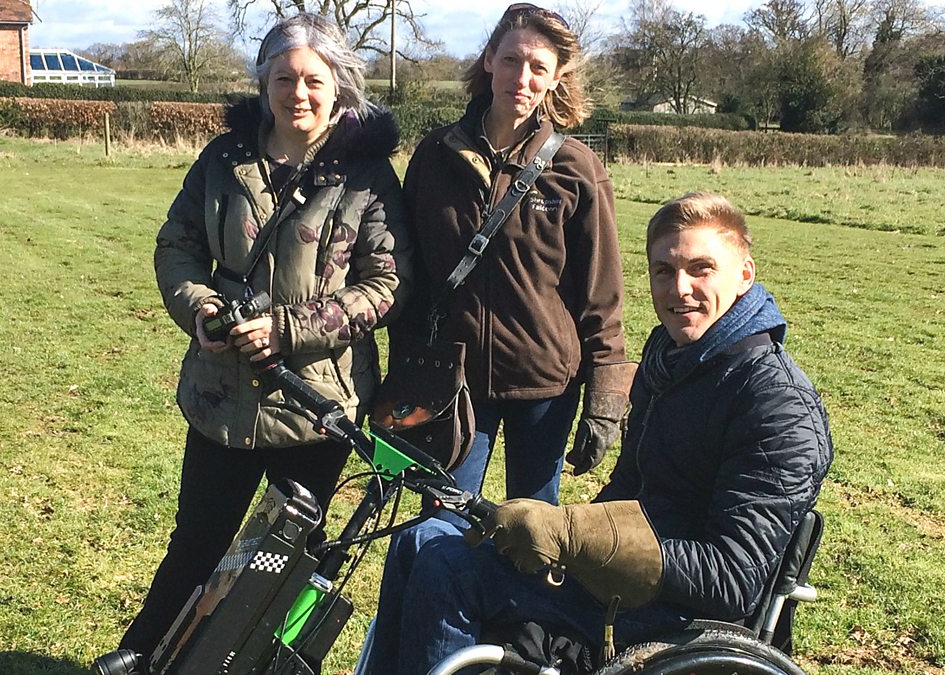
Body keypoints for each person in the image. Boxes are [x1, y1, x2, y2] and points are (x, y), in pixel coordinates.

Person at [360, 192, 834, 674]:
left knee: (448, 570)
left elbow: (731, 577)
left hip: (678, 613)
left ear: (745, 275)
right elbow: (630, 488)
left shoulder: (777, 404)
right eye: (664, 272)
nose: (680, 289)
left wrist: (574, 537)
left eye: (701, 269)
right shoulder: (670, 357)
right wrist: (567, 541)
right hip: (621, 580)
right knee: (422, 536)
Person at [115, 13, 410, 659]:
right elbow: (177, 247)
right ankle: (148, 660)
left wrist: (289, 330)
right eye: (284, 77)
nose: (297, 93)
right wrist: (199, 309)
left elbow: (386, 283)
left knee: (288, 563)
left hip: (313, 406)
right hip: (221, 397)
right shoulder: (224, 158)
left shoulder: (367, 178)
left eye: (312, 79)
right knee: (197, 549)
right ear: (263, 80)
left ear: (339, 85)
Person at [392, 2, 635, 506]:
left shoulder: (576, 168)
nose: (521, 78)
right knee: (441, 519)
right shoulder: (435, 156)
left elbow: (601, 295)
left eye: (538, 67)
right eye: (511, 61)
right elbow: (407, 275)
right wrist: (403, 376)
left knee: (532, 529)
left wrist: (608, 397)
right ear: (489, 61)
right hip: (452, 380)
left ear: (555, 79)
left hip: (546, 383)